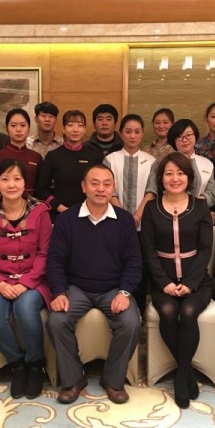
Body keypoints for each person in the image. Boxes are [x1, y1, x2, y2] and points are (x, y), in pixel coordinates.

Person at [46, 165, 141, 404]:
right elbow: (55, 260)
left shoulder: (124, 220)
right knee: (57, 321)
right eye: (95, 183)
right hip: (76, 289)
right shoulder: (67, 219)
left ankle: (112, 379)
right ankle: (74, 378)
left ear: (113, 187)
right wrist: (59, 292)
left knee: (130, 322)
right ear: (84, 186)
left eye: (107, 184)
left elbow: (134, 262)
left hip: (113, 289)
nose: (101, 189)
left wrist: (124, 292)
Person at [0, 159, 53, 399]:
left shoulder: (40, 211)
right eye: (5, 179)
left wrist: (25, 283)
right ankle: (17, 364)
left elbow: (45, 254)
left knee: (25, 310)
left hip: (33, 279)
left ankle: (36, 364)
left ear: (25, 183)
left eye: (17, 179)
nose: (11, 184)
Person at [140, 152, 213, 409]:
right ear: (160, 178)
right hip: (163, 279)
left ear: (189, 177)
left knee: (189, 311)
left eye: (180, 173)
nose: (175, 178)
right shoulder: (151, 208)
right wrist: (164, 283)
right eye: (169, 173)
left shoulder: (200, 207)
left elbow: (205, 249)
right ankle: (188, 372)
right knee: (169, 312)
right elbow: (148, 250)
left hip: (197, 279)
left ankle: (181, 376)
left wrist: (190, 282)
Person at [103, 114, 155, 313]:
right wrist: (125, 216)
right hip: (115, 221)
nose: (132, 136)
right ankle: (115, 308)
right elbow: (110, 190)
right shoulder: (110, 159)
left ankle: (139, 311)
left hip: (143, 223)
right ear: (121, 133)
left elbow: (152, 190)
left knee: (139, 266)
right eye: (128, 131)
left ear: (142, 133)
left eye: (137, 132)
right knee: (116, 264)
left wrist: (138, 214)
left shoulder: (151, 161)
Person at [35, 110, 104, 221]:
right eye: (70, 125)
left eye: (80, 125)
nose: (75, 130)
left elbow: (99, 186)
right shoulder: (53, 156)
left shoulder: (94, 155)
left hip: (90, 213)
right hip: (60, 214)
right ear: (63, 129)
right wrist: (61, 208)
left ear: (84, 129)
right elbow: (41, 190)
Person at [146, 118, 215, 208]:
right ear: (173, 140)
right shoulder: (162, 162)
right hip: (168, 210)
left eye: (188, 135)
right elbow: (155, 190)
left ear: (195, 136)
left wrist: (195, 205)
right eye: (179, 137)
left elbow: (212, 194)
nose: (184, 140)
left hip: (198, 211)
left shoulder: (207, 164)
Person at [0, 109, 42, 199]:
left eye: (23, 125)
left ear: (29, 127)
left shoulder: (36, 157)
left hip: (32, 204)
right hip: (4, 204)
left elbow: (41, 188)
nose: (18, 129)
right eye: (13, 125)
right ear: (6, 128)